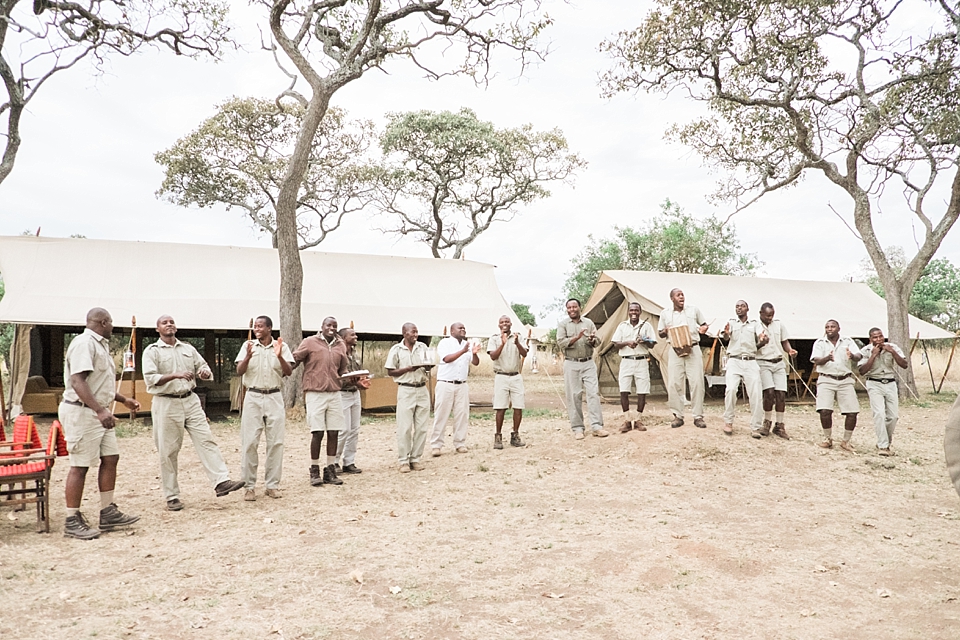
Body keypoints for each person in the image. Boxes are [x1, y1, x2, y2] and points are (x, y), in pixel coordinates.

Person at [143, 315, 245, 511]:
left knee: (206, 440)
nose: (169, 325)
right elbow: (151, 378)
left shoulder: (188, 349)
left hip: (190, 400)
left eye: (172, 322)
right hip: (166, 402)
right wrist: (175, 375)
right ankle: (172, 496)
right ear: (157, 329)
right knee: (169, 450)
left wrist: (205, 373)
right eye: (164, 323)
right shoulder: (152, 351)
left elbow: (203, 366)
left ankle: (221, 481)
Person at [59, 308, 141, 539]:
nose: (113, 326)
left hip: (98, 412)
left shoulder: (100, 345)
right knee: (80, 465)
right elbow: (78, 381)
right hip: (83, 412)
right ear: (103, 322)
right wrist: (99, 410)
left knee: (111, 457)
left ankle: (108, 511)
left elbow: (100, 383)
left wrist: (123, 399)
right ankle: (71, 519)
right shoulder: (84, 343)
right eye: (111, 322)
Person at [234, 315, 294, 501]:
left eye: (261, 326)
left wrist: (279, 357)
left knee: (276, 443)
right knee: (250, 442)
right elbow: (239, 371)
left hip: (274, 396)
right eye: (255, 327)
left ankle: (272, 485)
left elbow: (289, 371)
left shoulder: (281, 346)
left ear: (269, 328)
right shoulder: (248, 346)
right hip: (253, 396)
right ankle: (249, 487)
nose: (257, 329)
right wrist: (247, 357)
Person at [293, 317, 349, 487]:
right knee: (317, 432)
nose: (331, 328)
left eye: (335, 326)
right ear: (322, 327)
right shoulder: (310, 342)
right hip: (315, 392)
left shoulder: (341, 345)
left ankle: (330, 469)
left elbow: (343, 369)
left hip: (334, 392)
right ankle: (314, 469)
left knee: (334, 432)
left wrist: (353, 380)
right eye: (329, 325)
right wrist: (281, 366)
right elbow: (294, 359)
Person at [657, 288, 709, 429]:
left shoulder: (694, 310)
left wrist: (703, 328)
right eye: (678, 295)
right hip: (675, 350)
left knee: (697, 382)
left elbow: (704, 324)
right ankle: (678, 416)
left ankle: (698, 416)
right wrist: (665, 331)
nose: (681, 297)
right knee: (674, 382)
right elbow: (660, 333)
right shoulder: (665, 313)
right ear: (672, 298)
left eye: (682, 295)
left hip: (693, 348)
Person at [557, 299, 609, 439]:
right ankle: (578, 428)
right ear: (567, 309)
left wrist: (592, 339)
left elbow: (597, 341)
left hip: (588, 362)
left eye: (575, 306)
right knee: (574, 396)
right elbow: (561, 343)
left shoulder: (589, 323)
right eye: (569, 307)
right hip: (571, 363)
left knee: (593, 393)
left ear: (580, 308)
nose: (572, 309)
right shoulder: (563, 325)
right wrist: (576, 337)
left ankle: (597, 427)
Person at [385, 323, 433, 472]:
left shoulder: (423, 347)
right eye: (412, 332)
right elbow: (390, 371)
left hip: (421, 388)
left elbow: (428, 365)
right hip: (406, 389)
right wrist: (407, 369)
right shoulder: (397, 349)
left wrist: (428, 366)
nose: (415, 335)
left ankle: (416, 459)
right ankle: (403, 460)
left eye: (417, 332)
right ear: (404, 333)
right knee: (404, 427)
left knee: (422, 427)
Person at [810, 319, 863, 451]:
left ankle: (846, 441)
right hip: (826, 379)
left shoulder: (847, 341)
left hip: (845, 379)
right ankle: (828, 439)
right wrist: (827, 358)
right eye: (827, 327)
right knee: (824, 410)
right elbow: (816, 360)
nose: (829, 329)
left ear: (839, 329)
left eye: (833, 326)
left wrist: (852, 356)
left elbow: (858, 355)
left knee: (852, 412)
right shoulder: (820, 343)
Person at [430, 322, 481, 456]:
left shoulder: (467, 345)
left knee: (462, 414)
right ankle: (436, 445)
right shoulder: (445, 343)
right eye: (460, 328)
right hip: (445, 383)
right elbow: (447, 359)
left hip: (462, 384)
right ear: (452, 331)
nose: (463, 330)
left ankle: (460, 443)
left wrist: (474, 353)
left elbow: (475, 362)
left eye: (464, 328)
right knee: (441, 414)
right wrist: (463, 351)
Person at [719, 300, 768, 437]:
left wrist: (763, 338)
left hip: (750, 361)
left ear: (747, 309)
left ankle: (755, 427)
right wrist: (727, 333)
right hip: (734, 360)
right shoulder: (731, 322)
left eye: (742, 306)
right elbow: (726, 336)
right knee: (731, 389)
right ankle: (728, 422)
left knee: (756, 393)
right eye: (737, 306)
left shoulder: (754, 323)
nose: (739, 308)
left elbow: (761, 335)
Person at [858, 327, 908, 456]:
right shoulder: (865, 350)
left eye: (880, 336)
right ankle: (883, 446)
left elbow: (904, 364)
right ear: (870, 339)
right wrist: (873, 355)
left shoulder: (892, 347)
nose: (879, 339)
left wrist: (892, 352)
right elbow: (862, 371)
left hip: (890, 383)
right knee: (879, 413)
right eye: (875, 337)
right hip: (874, 383)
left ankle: (886, 441)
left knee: (893, 416)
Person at [611, 302, 658, 432]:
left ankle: (638, 419)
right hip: (626, 361)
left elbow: (652, 344)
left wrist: (645, 341)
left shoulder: (646, 325)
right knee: (624, 390)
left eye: (636, 310)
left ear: (640, 312)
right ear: (628, 311)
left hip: (642, 360)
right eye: (631, 310)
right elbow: (615, 344)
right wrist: (627, 342)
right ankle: (627, 420)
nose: (634, 313)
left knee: (642, 391)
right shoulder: (622, 326)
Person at [487, 315, 528, 449]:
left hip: (516, 375)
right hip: (501, 376)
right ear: (499, 325)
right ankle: (498, 436)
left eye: (507, 322)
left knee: (518, 406)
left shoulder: (518, 337)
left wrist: (516, 343)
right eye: (502, 322)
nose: (504, 324)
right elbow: (493, 356)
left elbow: (525, 354)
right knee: (500, 407)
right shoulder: (494, 338)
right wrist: (503, 343)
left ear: (511, 324)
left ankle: (515, 435)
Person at [757, 303, 798, 439]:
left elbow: (784, 341)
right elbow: (752, 346)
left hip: (778, 362)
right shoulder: (754, 326)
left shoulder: (778, 325)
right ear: (760, 313)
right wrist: (761, 343)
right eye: (768, 315)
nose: (770, 318)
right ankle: (767, 422)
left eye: (772, 315)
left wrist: (790, 350)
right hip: (763, 362)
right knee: (769, 392)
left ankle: (779, 425)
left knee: (781, 393)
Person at [336, 327, 371, 473]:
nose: (356, 337)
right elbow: (338, 377)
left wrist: (362, 381)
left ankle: (349, 461)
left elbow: (358, 372)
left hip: (355, 393)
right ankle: (334, 461)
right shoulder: (339, 355)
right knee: (344, 430)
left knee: (355, 429)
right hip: (343, 393)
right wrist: (355, 382)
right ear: (344, 338)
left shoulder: (354, 354)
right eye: (353, 335)